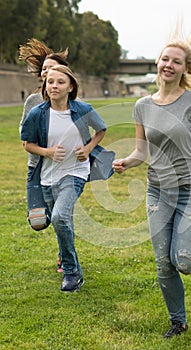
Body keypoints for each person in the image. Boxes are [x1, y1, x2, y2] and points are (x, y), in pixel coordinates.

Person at [112, 17, 191, 338]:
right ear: (157, 62)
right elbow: (142, 151)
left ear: (185, 68)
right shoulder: (142, 105)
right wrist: (126, 162)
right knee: (163, 264)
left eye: (176, 61)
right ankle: (178, 321)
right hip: (158, 191)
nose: (169, 64)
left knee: (183, 261)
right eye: (165, 58)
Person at [21, 65, 107, 292]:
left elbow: (100, 130)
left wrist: (88, 148)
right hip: (47, 177)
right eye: (50, 82)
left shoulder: (82, 109)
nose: (54, 86)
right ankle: (74, 266)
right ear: (45, 86)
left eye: (60, 82)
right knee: (61, 223)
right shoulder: (37, 113)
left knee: (59, 217)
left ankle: (70, 272)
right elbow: (27, 144)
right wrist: (48, 152)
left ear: (70, 87)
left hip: (75, 173)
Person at [19, 38, 69, 272]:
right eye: (44, 69)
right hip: (37, 166)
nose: (46, 71)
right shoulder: (32, 101)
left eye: (52, 68)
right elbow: (24, 136)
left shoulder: (71, 100)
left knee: (61, 217)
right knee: (39, 221)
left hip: (63, 169)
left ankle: (64, 257)